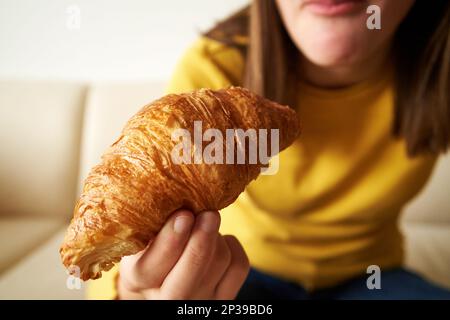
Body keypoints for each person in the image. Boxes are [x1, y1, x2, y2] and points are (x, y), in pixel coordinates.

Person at [88, 0, 450, 299]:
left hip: (373, 278)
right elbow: (143, 230)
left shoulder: (440, 67)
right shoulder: (214, 69)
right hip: (239, 275)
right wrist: (133, 291)